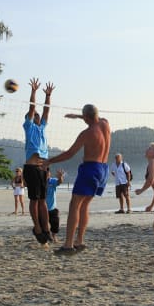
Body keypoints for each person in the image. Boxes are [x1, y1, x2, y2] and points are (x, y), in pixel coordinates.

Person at [41, 103, 111, 255]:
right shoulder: (105, 124)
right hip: (103, 169)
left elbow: (69, 153)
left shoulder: (87, 133)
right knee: (84, 205)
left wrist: (50, 161)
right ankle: (80, 241)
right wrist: (79, 116)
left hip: (90, 168)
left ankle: (68, 245)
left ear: (86, 118)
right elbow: (95, 117)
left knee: (75, 205)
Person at [23, 78, 55, 245]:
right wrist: (34, 91)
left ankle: (46, 228)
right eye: (33, 115)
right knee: (34, 200)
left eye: (36, 115)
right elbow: (32, 107)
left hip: (43, 167)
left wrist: (48, 95)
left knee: (43, 200)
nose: (35, 115)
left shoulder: (42, 126)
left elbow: (46, 111)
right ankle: (37, 227)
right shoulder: (29, 126)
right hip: (31, 167)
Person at [46, 168, 65, 242]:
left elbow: (59, 182)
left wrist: (60, 177)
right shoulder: (40, 182)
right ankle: (48, 236)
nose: (47, 174)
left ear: (50, 173)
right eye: (45, 172)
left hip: (52, 207)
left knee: (55, 224)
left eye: (48, 172)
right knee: (44, 224)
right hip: (42, 208)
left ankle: (54, 236)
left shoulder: (52, 181)